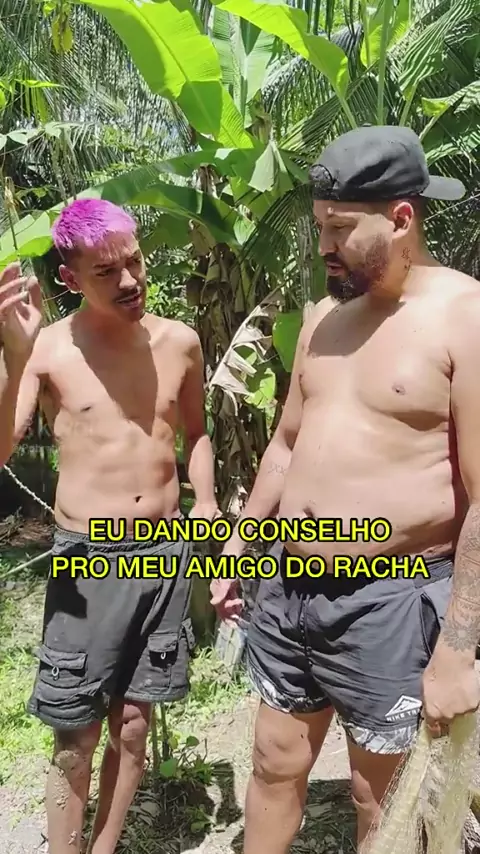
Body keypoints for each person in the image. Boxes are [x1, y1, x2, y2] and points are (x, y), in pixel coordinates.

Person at [210, 125, 480, 853]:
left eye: (339, 229)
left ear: (401, 218)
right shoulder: (325, 318)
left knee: (381, 798)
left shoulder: (465, 317)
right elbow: (287, 444)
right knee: (273, 762)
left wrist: (458, 651)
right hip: (289, 587)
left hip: (390, 600)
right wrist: (240, 544)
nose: (324, 247)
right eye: (319, 227)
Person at [0, 198, 218, 854]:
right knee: (76, 735)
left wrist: (206, 499)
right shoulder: (49, 350)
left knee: (133, 725)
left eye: (134, 263)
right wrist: (14, 356)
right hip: (90, 558)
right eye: (105, 272)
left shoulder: (180, 342)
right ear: (70, 279)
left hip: (164, 552)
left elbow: (196, 434)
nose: (129, 281)